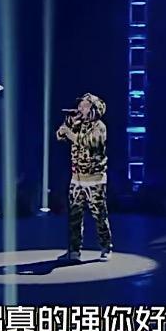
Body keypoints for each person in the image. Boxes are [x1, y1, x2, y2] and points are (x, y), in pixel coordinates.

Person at [56, 93, 113, 262]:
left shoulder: (100, 127)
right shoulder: (77, 123)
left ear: (93, 109)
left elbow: (87, 142)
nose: (80, 108)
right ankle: (74, 250)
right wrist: (65, 127)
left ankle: (106, 247)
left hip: (95, 179)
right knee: (74, 216)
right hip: (77, 178)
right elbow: (59, 136)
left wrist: (69, 133)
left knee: (99, 215)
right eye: (80, 105)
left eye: (85, 106)